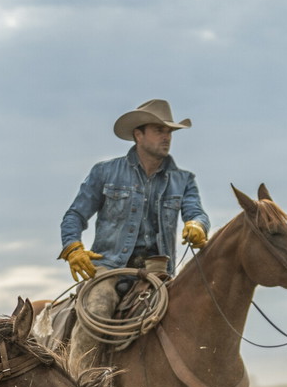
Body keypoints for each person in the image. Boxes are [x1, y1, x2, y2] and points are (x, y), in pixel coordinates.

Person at [59, 99, 210, 282]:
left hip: (160, 273)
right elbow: (75, 215)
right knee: (98, 305)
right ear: (139, 135)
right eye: (159, 130)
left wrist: (197, 225)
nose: (166, 137)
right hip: (108, 270)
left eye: (169, 132)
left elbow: (197, 213)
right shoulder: (104, 172)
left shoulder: (184, 180)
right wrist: (73, 248)